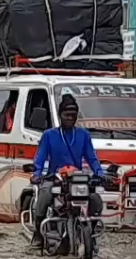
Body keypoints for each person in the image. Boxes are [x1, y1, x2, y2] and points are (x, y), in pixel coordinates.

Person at [30, 95, 104, 247]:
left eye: (73, 115)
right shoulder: (49, 135)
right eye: (67, 115)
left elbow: (92, 158)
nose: (70, 118)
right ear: (60, 115)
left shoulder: (83, 135)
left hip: (77, 179)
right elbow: (39, 159)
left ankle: (91, 231)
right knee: (44, 195)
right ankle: (38, 232)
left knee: (96, 199)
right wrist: (37, 175)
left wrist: (100, 174)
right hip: (55, 178)